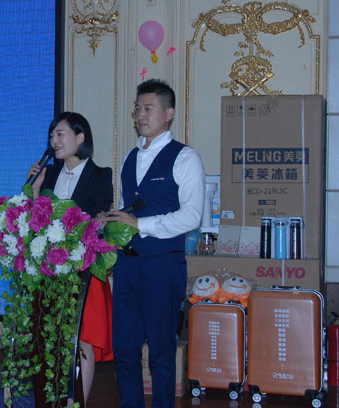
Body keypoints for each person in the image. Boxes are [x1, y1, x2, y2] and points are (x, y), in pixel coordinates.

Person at [101, 79, 205, 408]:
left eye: (148, 108)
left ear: (168, 113)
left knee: (161, 352)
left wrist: (140, 224)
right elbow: (126, 208)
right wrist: (111, 220)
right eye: (137, 108)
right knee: (125, 350)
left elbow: (192, 216)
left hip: (163, 264)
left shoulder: (185, 157)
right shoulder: (130, 157)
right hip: (127, 266)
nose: (140, 115)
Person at [27, 111, 114, 406]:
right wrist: (35, 188)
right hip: (49, 271)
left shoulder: (100, 175)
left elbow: (98, 218)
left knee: (82, 338)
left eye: (60, 134)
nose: (54, 140)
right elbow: (34, 222)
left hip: (83, 269)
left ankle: (76, 403)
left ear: (80, 137)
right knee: (48, 337)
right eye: (52, 135)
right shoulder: (49, 174)